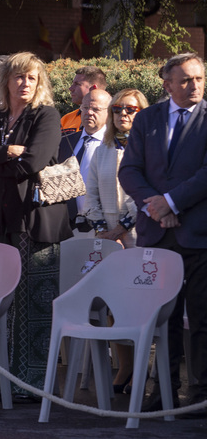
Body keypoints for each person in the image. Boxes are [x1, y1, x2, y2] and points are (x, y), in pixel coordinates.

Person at [0, 52, 72, 398]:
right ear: (5, 81)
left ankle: (30, 384)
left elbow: (32, 163)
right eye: (18, 77)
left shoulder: (47, 115)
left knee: (30, 305)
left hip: (33, 221)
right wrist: (4, 152)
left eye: (31, 77)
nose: (25, 83)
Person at [119, 53, 207, 417]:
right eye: (186, 80)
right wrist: (154, 206)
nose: (195, 86)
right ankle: (164, 394)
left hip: (199, 235)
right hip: (157, 234)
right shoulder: (148, 119)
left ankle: (201, 396)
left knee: (202, 319)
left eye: (200, 79)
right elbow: (131, 170)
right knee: (163, 319)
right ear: (167, 83)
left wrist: (171, 201)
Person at [84, 87, 148, 393]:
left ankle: (143, 370)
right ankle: (124, 367)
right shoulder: (101, 150)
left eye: (131, 109)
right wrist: (103, 230)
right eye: (118, 108)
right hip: (107, 240)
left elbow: (143, 195)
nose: (123, 114)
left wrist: (121, 230)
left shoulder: (149, 149)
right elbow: (90, 192)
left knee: (138, 305)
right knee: (112, 307)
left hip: (138, 239)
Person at [58, 89, 112, 232]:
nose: (89, 112)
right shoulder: (64, 142)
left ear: (109, 112)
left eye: (96, 109)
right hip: (67, 226)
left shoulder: (116, 145)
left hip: (103, 226)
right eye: (85, 108)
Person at [60, 65, 107, 135]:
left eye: (77, 84)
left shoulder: (112, 119)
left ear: (94, 88)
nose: (71, 88)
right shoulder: (66, 119)